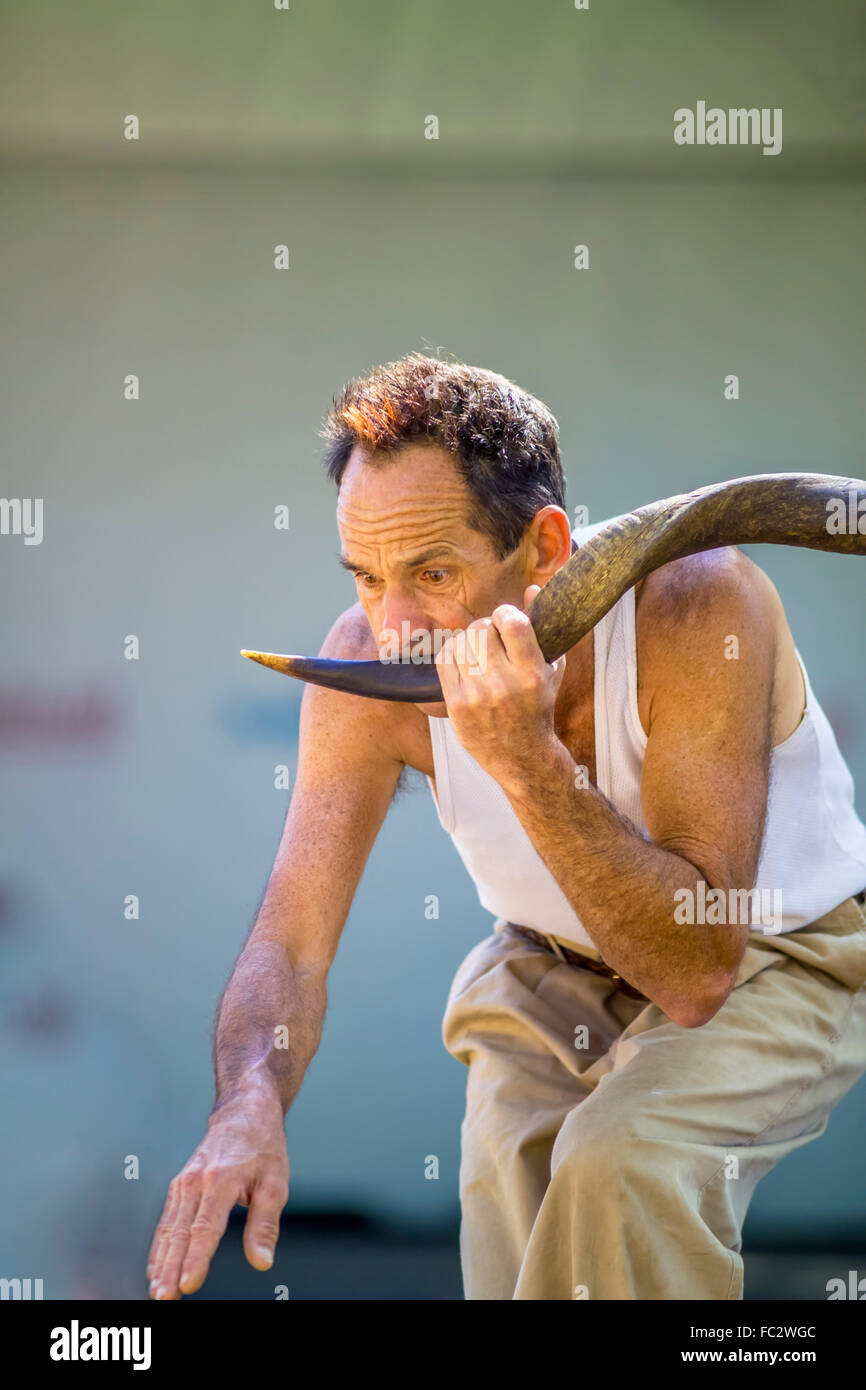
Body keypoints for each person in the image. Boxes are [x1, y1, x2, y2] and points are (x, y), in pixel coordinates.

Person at [147, 353, 866, 1300]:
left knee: (620, 1165)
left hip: (776, 958)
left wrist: (525, 759)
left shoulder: (698, 602)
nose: (393, 625)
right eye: (366, 576)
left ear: (546, 548)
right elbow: (290, 941)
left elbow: (696, 974)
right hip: (547, 962)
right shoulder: (364, 663)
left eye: (432, 571)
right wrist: (247, 1100)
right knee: (512, 1207)